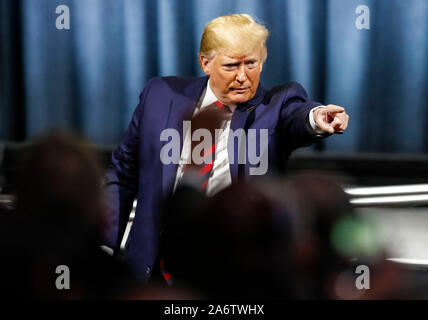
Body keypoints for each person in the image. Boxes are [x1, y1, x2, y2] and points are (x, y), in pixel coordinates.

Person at [104, 14, 349, 280]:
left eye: (251, 64)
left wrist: (316, 118)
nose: (243, 76)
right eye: (231, 66)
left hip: (234, 274)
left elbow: (298, 116)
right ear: (205, 63)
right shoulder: (160, 95)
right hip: (152, 269)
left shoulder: (276, 105)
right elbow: (122, 176)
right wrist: (104, 245)